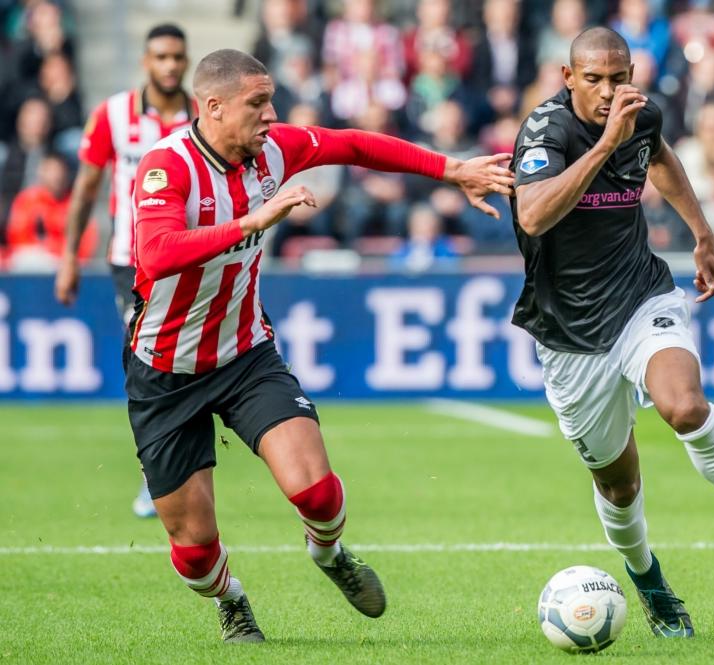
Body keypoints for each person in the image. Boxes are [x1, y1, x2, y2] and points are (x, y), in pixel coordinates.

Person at [128, 48, 512, 643]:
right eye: (257, 103)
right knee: (196, 553)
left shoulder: (274, 148)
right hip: (165, 371)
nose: (271, 113)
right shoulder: (167, 166)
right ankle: (231, 600)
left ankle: (330, 555)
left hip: (246, 355)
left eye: (270, 98)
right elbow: (154, 253)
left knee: (317, 490)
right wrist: (250, 224)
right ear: (213, 108)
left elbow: (355, 145)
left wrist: (451, 169)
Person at [510, 27, 714, 639]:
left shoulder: (642, 114)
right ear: (567, 77)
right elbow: (531, 214)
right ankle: (649, 580)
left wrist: (703, 233)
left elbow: (659, 156)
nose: (609, 92)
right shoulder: (545, 132)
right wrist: (604, 144)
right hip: (569, 334)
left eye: (619, 77)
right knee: (617, 480)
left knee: (685, 406)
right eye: (593, 80)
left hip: (642, 296)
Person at [53, 24, 195, 519]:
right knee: (150, 365)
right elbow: (87, 189)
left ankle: (179, 471)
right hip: (132, 263)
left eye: (178, 56)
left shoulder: (205, 116)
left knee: (192, 364)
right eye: (161, 56)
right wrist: (70, 257)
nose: (171, 65)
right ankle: (155, 476)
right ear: (145, 61)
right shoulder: (113, 115)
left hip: (197, 258)